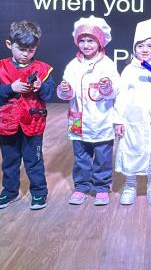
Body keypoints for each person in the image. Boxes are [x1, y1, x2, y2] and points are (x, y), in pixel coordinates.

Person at [0, 21, 55, 211]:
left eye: (31, 50)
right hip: (6, 124)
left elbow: (49, 94)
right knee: (10, 160)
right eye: (22, 49)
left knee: (34, 160)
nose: (26, 54)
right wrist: (11, 88)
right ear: (9, 44)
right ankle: (10, 191)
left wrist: (41, 87)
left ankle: (39, 192)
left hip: (33, 123)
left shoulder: (43, 69)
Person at [57, 16, 120, 206]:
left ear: (100, 42)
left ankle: (101, 187)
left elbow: (115, 90)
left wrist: (107, 86)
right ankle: (82, 187)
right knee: (81, 156)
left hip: (101, 120)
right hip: (78, 120)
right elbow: (66, 91)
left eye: (90, 41)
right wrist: (66, 89)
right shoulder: (73, 65)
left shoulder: (107, 64)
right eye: (82, 41)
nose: (86, 45)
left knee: (102, 156)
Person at [113, 18, 151, 206]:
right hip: (132, 122)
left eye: (149, 45)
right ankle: (130, 185)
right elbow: (120, 96)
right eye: (140, 46)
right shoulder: (129, 70)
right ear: (134, 49)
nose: (144, 49)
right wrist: (118, 119)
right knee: (130, 151)